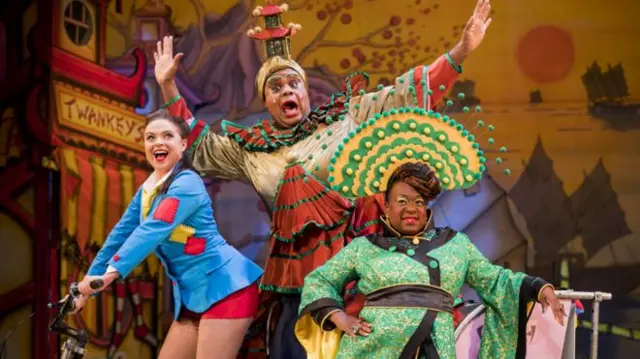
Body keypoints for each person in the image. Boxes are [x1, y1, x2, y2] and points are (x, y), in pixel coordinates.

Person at [153, 1, 494, 356]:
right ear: (266, 100)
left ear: (305, 92)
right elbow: (199, 146)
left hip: (360, 268)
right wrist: (167, 87)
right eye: (276, 87)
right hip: (296, 278)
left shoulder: (345, 118)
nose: (287, 91)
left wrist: (460, 52)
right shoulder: (251, 150)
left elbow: (405, 95)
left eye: (293, 84)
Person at [295, 162, 566, 359]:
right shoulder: (364, 247)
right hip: (371, 350)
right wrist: (340, 318)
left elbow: (494, 279)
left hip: (436, 347)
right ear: (386, 208)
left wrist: (539, 287)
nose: (411, 208)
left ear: (427, 209)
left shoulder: (455, 244)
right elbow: (319, 280)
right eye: (402, 201)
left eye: (418, 202)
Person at [71, 109, 264, 359]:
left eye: (167, 136)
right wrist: (85, 288)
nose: (158, 142)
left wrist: (108, 276)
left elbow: (151, 230)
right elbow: (118, 237)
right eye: (150, 137)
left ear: (183, 144)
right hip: (192, 298)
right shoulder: (147, 191)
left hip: (227, 288)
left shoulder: (188, 183)